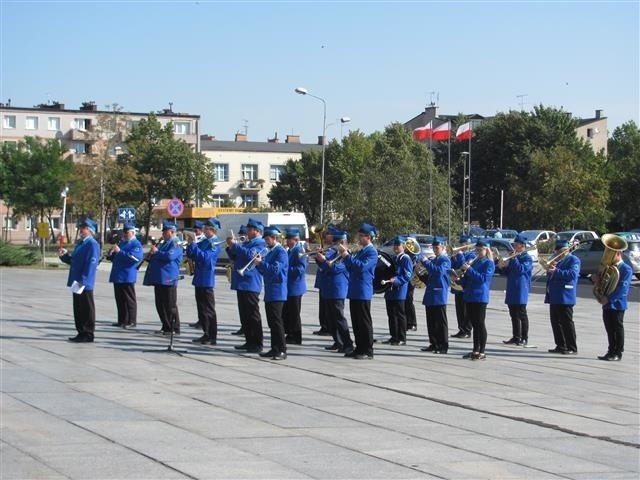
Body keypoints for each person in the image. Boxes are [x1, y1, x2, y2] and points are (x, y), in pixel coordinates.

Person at [227, 218, 266, 353]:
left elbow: (251, 255)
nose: (247, 232)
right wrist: (230, 247)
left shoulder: (261, 243)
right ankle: (249, 341)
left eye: (249, 230)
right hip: (242, 282)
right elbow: (236, 256)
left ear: (257, 231)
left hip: (251, 282)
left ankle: (257, 343)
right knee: (244, 314)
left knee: (252, 314)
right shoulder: (248, 242)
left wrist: (236, 246)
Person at [59, 218, 101, 343]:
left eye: (83, 228)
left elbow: (91, 264)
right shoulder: (81, 243)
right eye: (81, 228)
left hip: (84, 281)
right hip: (77, 280)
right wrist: (65, 256)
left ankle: (88, 333)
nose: (80, 230)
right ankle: (81, 331)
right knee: (78, 307)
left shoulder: (92, 244)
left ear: (90, 230)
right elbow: (74, 261)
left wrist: (84, 280)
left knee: (87, 307)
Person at [341, 223, 378, 359]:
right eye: (359, 235)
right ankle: (359, 348)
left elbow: (362, 267)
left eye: (362, 236)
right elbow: (351, 267)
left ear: (369, 237)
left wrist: (347, 257)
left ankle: (368, 350)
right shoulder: (362, 251)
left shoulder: (371, 252)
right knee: (356, 322)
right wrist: (346, 257)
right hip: (355, 290)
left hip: (363, 290)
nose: (359, 238)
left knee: (364, 322)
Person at [316, 230, 354, 354]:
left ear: (343, 242)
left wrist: (324, 261)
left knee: (339, 318)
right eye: (335, 242)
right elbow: (324, 266)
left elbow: (337, 268)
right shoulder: (333, 252)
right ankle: (338, 342)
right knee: (330, 318)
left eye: (337, 242)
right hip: (328, 288)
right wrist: (319, 258)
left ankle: (347, 344)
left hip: (338, 289)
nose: (335, 245)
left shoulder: (346, 255)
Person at [143, 220, 183, 335]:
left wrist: (157, 252)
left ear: (172, 232)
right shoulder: (164, 243)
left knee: (170, 304)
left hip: (169, 278)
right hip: (159, 278)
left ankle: (174, 327)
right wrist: (150, 255)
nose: (163, 234)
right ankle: (165, 325)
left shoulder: (176, 243)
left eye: (166, 232)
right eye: (163, 232)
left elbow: (170, 256)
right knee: (160, 303)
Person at [186, 217, 221, 345]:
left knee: (209, 309)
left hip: (206, 278)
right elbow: (192, 254)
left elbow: (205, 257)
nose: (203, 231)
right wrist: (191, 244)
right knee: (202, 307)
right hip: (199, 278)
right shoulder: (205, 241)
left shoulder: (214, 243)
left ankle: (212, 335)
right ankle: (206, 333)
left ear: (212, 230)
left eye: (206, 229)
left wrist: (195, 245)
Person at [255, 226, 288, 360]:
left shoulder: (281, 252)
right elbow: (265, 271)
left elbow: (275, 270)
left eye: (267, 239)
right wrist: (259, 264)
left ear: (274, 238)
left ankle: (282, 350)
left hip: (277, 291)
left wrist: (261, 263)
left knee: (277, 322)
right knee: (271, 322)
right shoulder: (270, 251)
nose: (266, 242)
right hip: (270, 291)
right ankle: (274, 348)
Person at [459, 240, 495, 360]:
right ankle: (475, 350)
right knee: (474, 324)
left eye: (480, 250)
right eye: (477, 250)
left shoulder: (489, 263)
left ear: (486, 250)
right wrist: (458, 279)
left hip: (480, 296)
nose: (478, 252)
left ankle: (482, 351)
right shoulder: (475, 261)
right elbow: (469, 278)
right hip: (470, 295)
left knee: (480, 324)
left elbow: (482, 279)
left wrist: (469, 269)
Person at [545, 239, 581, 355]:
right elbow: (552, 275)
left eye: (560, 251)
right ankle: (560, 345)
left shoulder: (573, 260)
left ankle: (572, 347)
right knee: (555, 322)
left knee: (566, 322)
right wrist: (549, 269)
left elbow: (572, 275)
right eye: (556, 251)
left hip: (566, 295)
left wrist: (556, 271)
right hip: (555, 295)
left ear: (566, 250)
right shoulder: (557, 260)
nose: (557, 253)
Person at [596, 250, 632, 361]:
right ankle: (610, 351)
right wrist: (596, 280)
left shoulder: (626, 269)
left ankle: (618, 353)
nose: (608, 257)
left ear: (619, 254)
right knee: (609, 329)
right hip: (607, 304)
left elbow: (623, 288)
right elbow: (603, 284)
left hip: (617, 304)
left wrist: (609, 299)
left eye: (612, 254)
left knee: (617, 328)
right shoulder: (607, 268)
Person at [107, 222, 143, 329]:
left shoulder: (136, 244)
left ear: (132, 233)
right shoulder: (123, 243)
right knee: (120, 299)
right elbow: (117, 257)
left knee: (129, 299)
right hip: (118, 275)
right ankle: (122, 320)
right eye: (124, 232)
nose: (124, 234)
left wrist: (119, 252)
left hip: (127, 275)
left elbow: (134, 258)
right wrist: (111, 255)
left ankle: (131, 320)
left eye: (126, 232)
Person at [499, 234, 533, 346]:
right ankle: (516, 336)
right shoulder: (516, 257)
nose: (514, 247)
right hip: (512, 288)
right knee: (513, 314)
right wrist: (501, 267)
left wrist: (514, 259)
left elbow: (520, 270)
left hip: (521, 288)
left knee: (521, 314)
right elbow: (508, 272)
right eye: (514, 245)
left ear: (522, 246)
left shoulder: (527, 258)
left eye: (516, 245)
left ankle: (524, 337)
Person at [419, 238, 451, 354]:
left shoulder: (445, 260)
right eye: (433, 248)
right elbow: (431, 275)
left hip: (439, 293)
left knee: (440, 322)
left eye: (437, 248)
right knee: (431, 321)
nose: (435, 250)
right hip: (431, 293)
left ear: (443, 248)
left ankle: (443, 346)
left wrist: (426, 262)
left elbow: (439, 271)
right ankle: (433, 343)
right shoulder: (435, 259)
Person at [382, 236, 413, 345]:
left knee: (399, 314)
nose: (395, 247)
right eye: (394, 245)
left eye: (398, 245)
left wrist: (396, 280)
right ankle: (393, 336)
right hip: (390, 290)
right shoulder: (394, 258)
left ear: (403, 246)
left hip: (399, 290)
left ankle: (401, 338)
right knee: (391, 314)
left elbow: (407, 275)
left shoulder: (406, 258)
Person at [283, 228, 307, 345]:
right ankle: (290, 333)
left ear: (296, 240)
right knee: (289, 312)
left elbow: (301, 269)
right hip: (290, 286)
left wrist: (287, 269)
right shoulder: (290, 250)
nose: (287, 241)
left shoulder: (299, 251)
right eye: (287, 239)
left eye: (289, 239)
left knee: (295, 313)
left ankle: (296, 336)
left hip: (296, 286)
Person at [450, 235, 475, 338]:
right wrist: (453, 258)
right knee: (459, 309)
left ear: (469, 244)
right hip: (457, 284)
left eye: (464, 244)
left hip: (465, 285)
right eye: (461, 244)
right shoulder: (459, 254)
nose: (462, 246)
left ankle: (467, 330)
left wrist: (459, 256)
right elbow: (453, 267)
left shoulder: (472, 255)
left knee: (465, 309)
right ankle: (461, 329)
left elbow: (464, 267)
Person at [313, 227, 335, 336]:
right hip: (323, 281)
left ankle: (328, 327)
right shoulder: (327, 248)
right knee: (323, 306)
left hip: (329, 282)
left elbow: (328, 264)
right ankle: (324, 326)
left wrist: (322, 257)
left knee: (328, 307)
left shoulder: (333, 250)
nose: (325, 236)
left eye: (328, 234)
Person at [230, 224, 248, 336]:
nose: (242, 237)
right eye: (240, 235)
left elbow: (248, 255)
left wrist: (236, 246)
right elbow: (233, 257)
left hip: (247, 281)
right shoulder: (242, 245)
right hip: (240, 280)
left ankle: (248, 330)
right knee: (242, 308)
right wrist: (230, 247)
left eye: (244, 234)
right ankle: (243, 327)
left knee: (248, 310)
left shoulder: (248, 246)